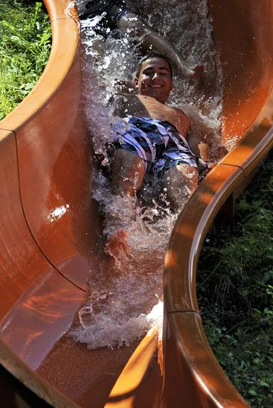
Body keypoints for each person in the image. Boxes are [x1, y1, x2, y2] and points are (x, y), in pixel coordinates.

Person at [105, 53, 210, 257]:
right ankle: (117, 233)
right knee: (129, 171)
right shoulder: (126, 99)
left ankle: (187, 239)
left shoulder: (184, 111)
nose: (155, 78)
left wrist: (203, 160)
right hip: (137, 131)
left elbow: (198, 141)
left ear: (171, 84)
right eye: (148, 73)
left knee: (184, 181)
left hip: (173, 144)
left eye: (163, 74)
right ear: (136, 82)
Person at [78, 0, 203, 79]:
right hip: (85, 14)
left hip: (111, 4)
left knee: (134, 26)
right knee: (96, 49)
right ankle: (120, 88)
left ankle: (182, 64)